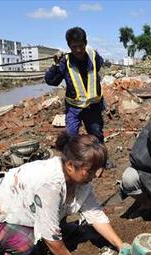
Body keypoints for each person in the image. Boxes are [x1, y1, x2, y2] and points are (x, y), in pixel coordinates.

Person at [0, 132, 129, 255]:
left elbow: (95, 215)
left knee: (66, 230)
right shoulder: (50, 185)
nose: (98, 175)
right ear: (71, 166)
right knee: (28, 247)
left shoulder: (79, 180)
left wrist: (120, 245)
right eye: (91, 170)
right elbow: (50, 234)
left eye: (99, 169)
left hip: (23, 211)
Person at [45, 27, 114, 169]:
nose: (78, 50)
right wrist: (55, 65)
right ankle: (69, 165)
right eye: (74, 47)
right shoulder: (65, 61)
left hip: (93, 107)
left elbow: (99, 65)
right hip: (74, 109)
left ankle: (102, 161)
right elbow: (51, 81)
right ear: (69, 46)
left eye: (80, 46)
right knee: (70, 137)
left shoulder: (94, 56)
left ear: (86, 43)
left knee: (96, 135)